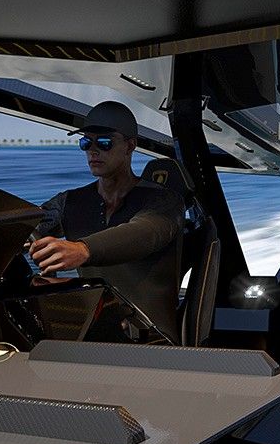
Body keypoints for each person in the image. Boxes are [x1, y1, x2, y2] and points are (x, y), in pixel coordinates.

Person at [30, 101, 184, 340]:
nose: (93, 150)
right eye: (86, 143)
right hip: (92, 329)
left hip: (150, 339)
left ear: (130, 146)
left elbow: (145, 232)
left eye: (104, 142)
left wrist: (83, 249)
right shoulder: (69, 202)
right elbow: (29, 224)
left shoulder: (164, 202)